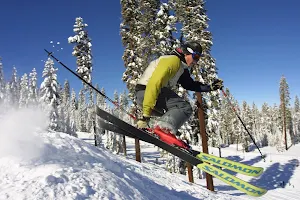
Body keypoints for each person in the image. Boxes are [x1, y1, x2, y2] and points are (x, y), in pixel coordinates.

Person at [134, 41, 223, 146]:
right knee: (184, 108)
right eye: (195, 56)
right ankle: (163, 129)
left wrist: (210, 87)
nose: (196, 61)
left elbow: (190, 85)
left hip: (147, 96)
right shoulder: (173, 61)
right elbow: (154, 83)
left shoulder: (181, 68)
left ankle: (162, 130)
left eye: (198, 58)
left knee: (172, 114)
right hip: (147, 91)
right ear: (186, 52)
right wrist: (145, 116)